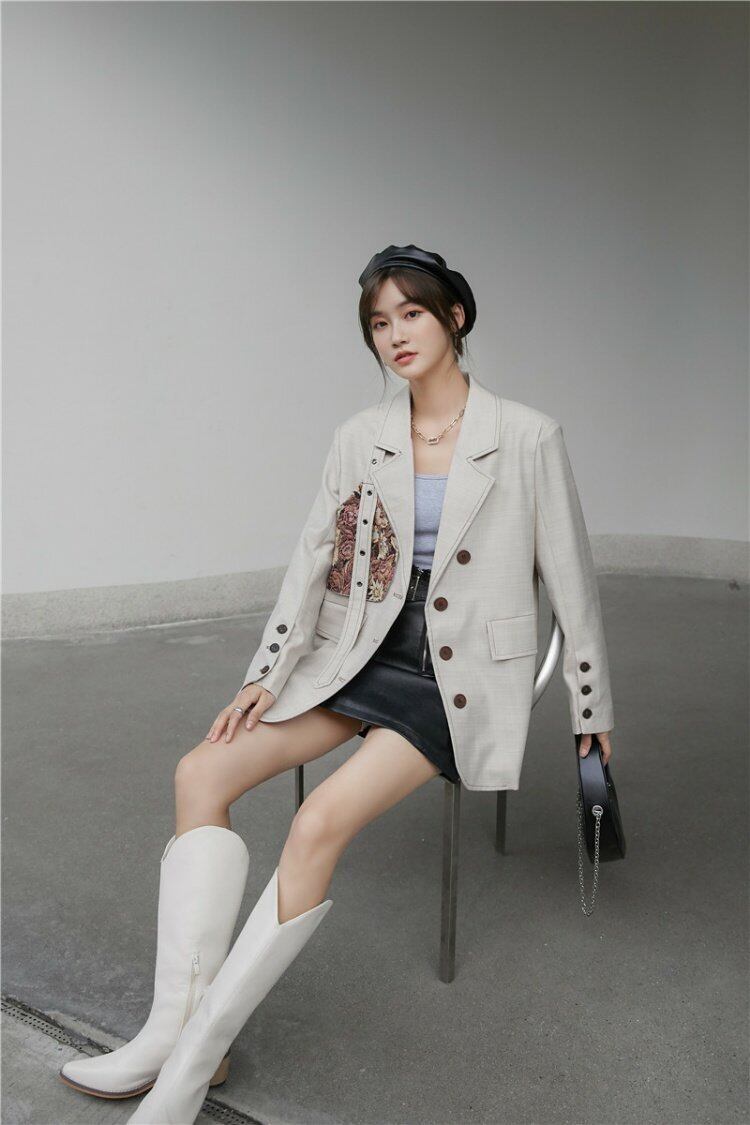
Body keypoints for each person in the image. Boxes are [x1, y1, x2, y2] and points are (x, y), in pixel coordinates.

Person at [59, 244, 615, 1124]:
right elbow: (312, 559)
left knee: (317, 820)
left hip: (452, 683)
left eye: (412, 314)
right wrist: (265, 675)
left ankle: (190, 1067)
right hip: (359, 657)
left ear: (455, 317)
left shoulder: (527, 435)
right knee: (200, 771)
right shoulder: (361, 436)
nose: (395, 334)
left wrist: (590, 708)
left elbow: (573, 583)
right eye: (379, 322)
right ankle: (176, 1031)